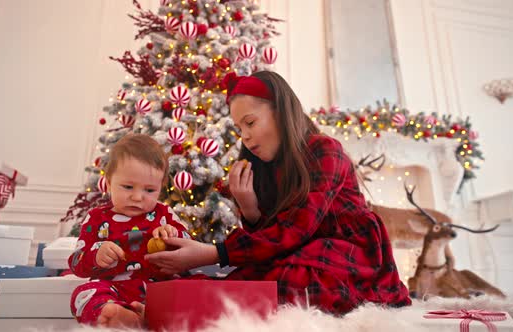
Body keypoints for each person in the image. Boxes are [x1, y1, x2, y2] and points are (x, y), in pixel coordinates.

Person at [146, 71, 412, 315]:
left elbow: (297, 228)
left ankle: (205, 307)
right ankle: (173, 307)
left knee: (292, 283)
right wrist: (249, 208)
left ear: (281, 112)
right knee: (247, 278)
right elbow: (273, 239)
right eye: (240, 129)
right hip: (300, 251)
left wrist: (215, 253)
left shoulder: (325, 150)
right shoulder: (267, 166)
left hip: (349, 252)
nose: (245, 137)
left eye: (250, 123)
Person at [68, 133, 191, 328]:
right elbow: (76, 262)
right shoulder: (97, 217)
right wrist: (96, 256)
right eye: (127, 187)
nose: (137, 197)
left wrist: (173, 235)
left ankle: (157, 318)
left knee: (196, 284)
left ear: (160, 188)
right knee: (84, 294)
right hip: (115, 290)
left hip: (161, 288)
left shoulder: (164, 213)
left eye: (149, 190)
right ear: (109, 183)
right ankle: (121, 318)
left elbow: (188, 247)